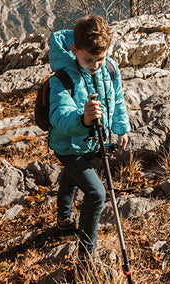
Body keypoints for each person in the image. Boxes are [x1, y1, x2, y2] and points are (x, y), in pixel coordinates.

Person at [47, 14, 130, 261]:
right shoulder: (61, 78)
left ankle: (63, 218)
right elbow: (58, 117)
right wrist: (82, 120)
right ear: (74, 50)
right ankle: (86, 255)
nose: (95, 65)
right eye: (88, 59)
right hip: (67, 144)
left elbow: (117, 100)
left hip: (93, 142)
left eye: (100, 58)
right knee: (96, 193)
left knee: (73, 177)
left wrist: (120, 127)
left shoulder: (111, 69)